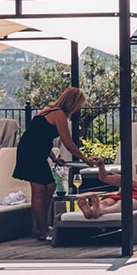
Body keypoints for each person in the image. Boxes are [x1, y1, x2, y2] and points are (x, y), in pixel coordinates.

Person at [13, 87, 88, 240]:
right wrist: (85, 159)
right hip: (31, 153)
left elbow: (41, 137)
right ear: (72, 103)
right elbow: (68, 143)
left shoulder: (48, 110)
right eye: (78, 106)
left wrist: (54, 158)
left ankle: (43, 226)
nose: (77, 109)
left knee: (50, 186)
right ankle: (42, 230)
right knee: (39, 190)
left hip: (35, 151)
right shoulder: (58, 114)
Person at [77, 150, 137, 219]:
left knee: (123, 203)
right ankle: (91, 211)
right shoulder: (135, 179)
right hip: (123, 195)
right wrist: (101, 165)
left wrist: (126, 180)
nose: (136, 165)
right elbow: (104, 178)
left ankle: (99, 211)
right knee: (107, 201)